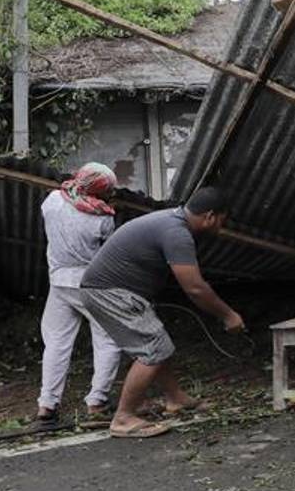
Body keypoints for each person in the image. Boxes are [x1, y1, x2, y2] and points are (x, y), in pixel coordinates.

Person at [79, 187, 244, 438]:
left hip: (114, 290)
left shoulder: (172, 222)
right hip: (110, 292)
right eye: (221, 221)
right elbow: (195, 287)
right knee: (154, 347)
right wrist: (228, 315)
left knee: (157, 340)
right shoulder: (177, 233)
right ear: (210, 216)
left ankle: (175, 398)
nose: (220, 229)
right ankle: (123, 417)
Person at [35, 163, 123, 428]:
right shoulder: (103, 218)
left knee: (56, 344)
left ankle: (47, 406)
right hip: (92, 283)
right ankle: (97, 402)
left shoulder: (51, 201)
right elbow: (109, 252)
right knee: (108, 339)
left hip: (59, 282)